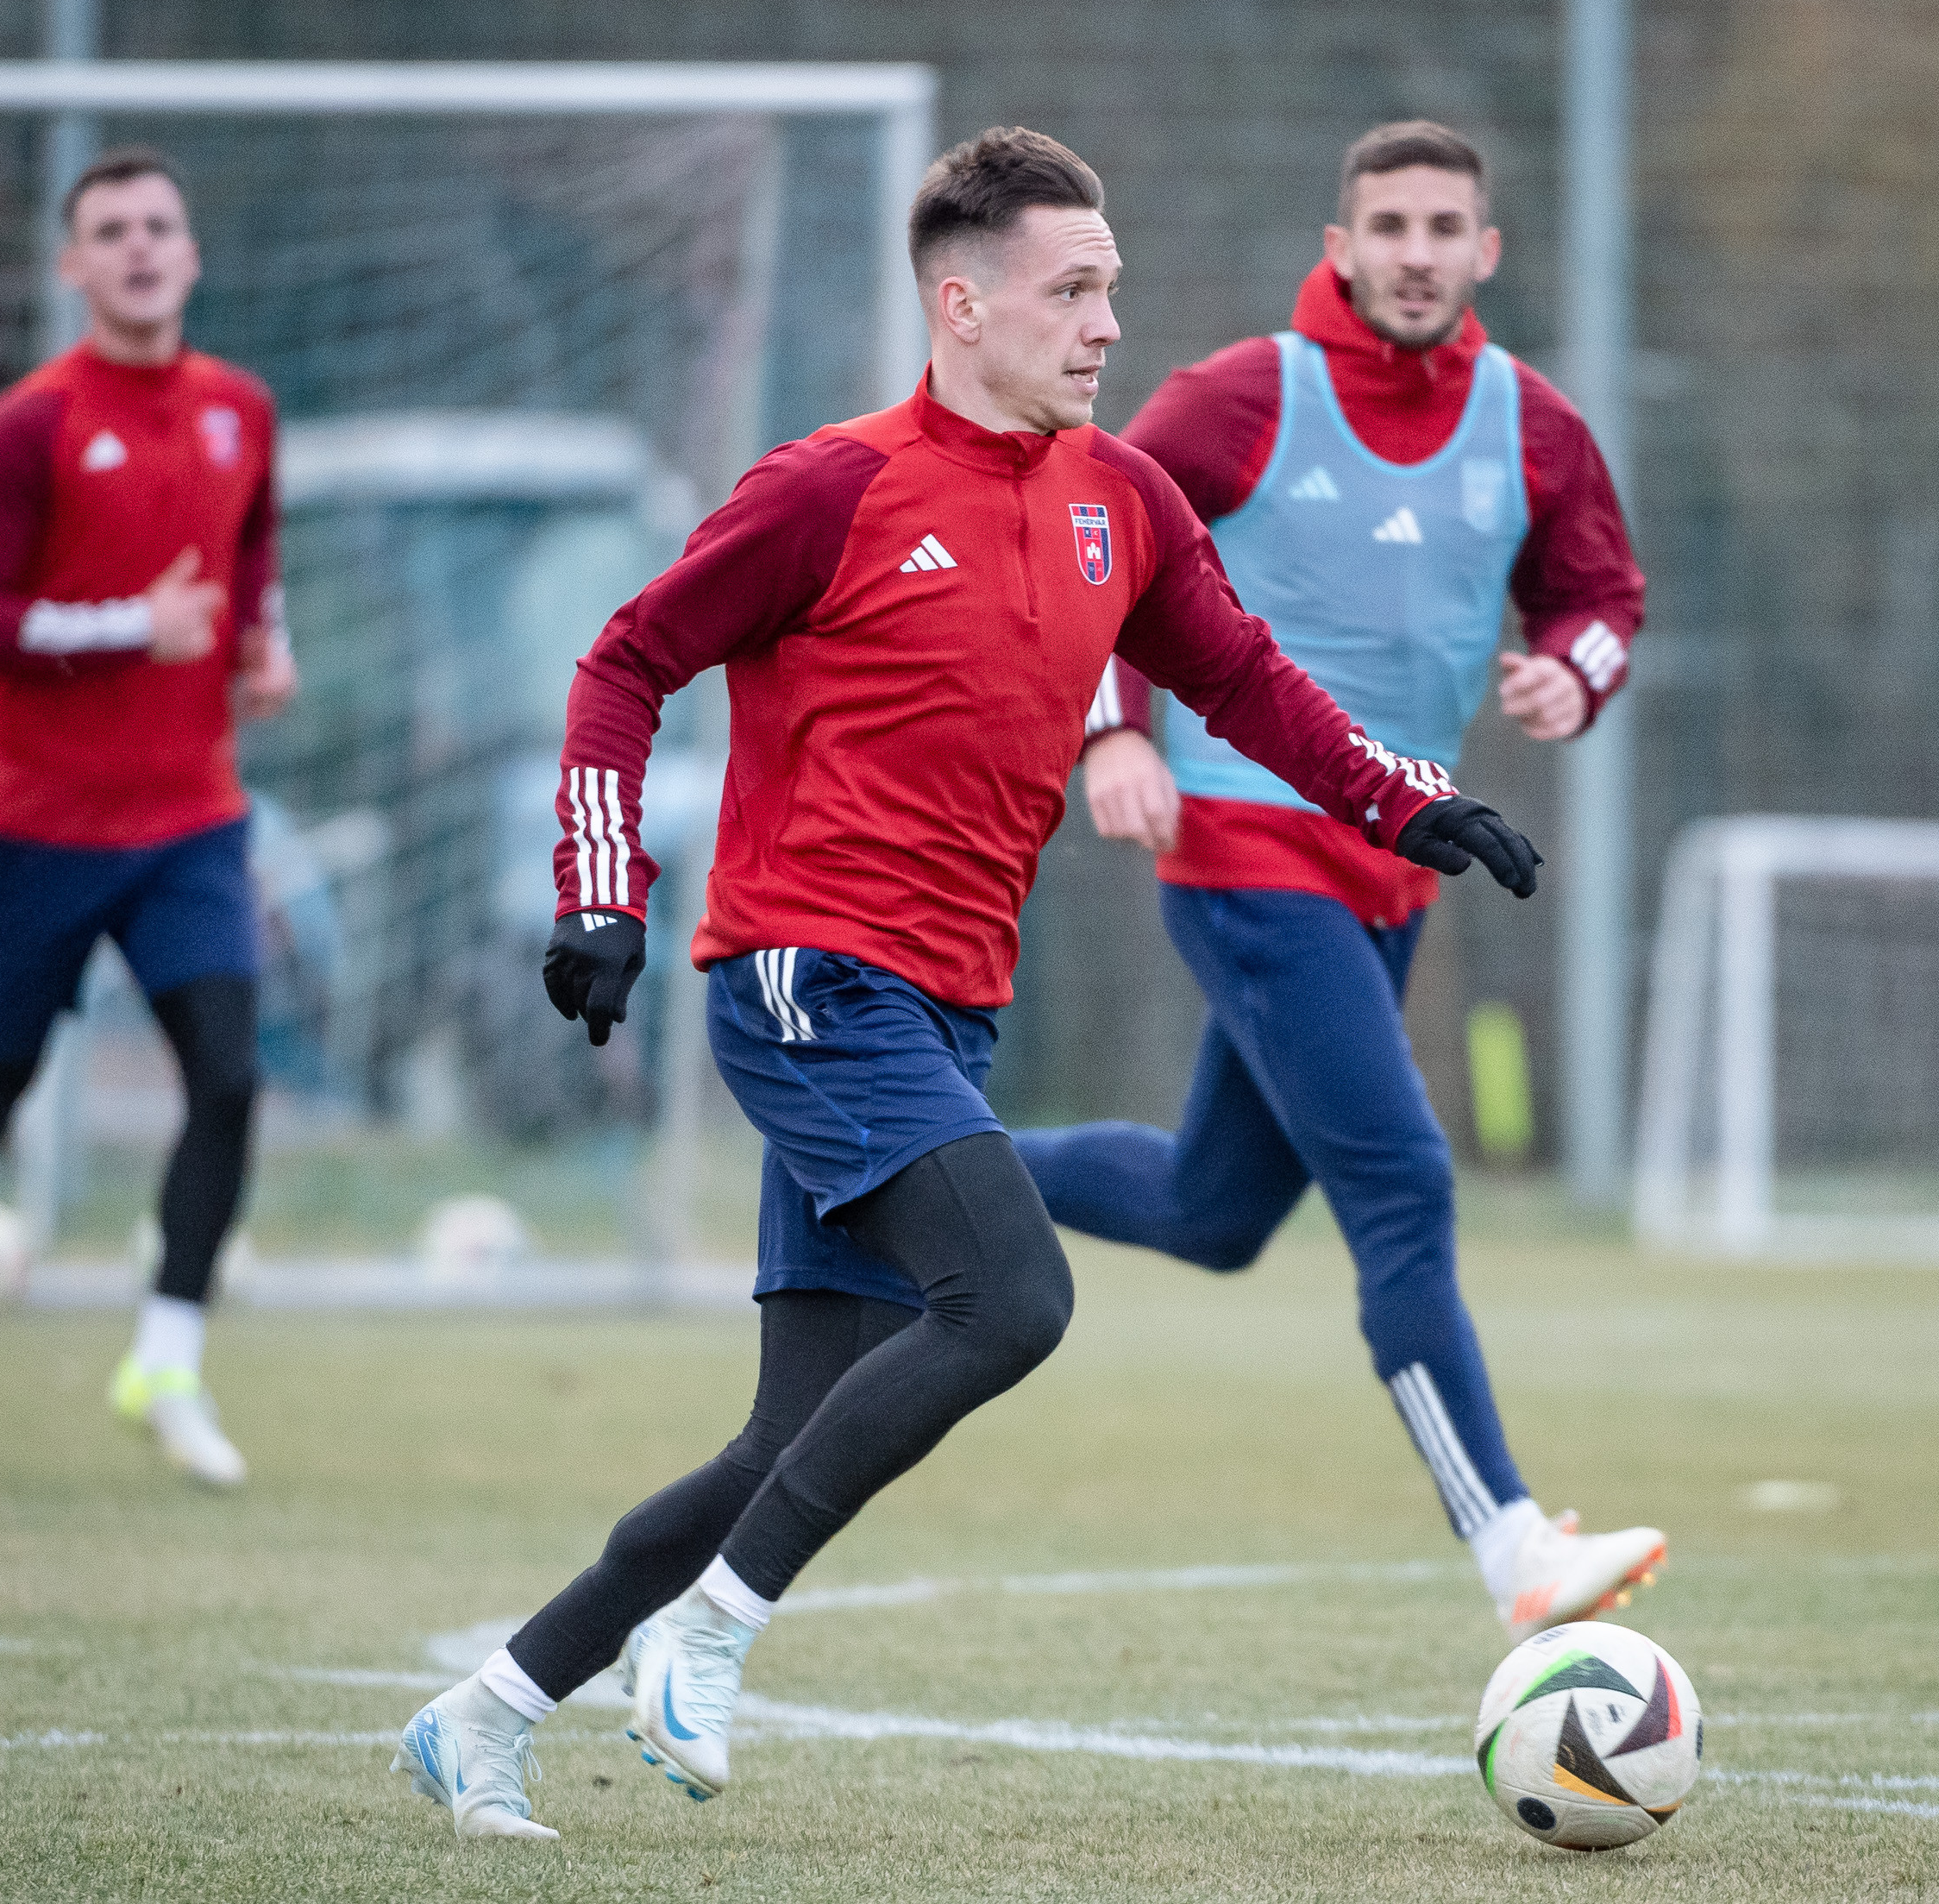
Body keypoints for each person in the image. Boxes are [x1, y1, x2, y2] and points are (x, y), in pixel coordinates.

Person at [389, 127, 1542, 1842]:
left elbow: (1247, 682)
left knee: (780, 1440)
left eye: (1111, 292)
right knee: (1011, 1297)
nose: (1105, 326)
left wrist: (1405, 798)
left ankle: (484, 1710)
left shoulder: (1121, 500)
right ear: (963, 305)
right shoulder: (828, 489)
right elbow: (625, 663)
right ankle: (711, 1631)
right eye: (1071, 292)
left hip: (942, 1009)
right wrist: (600, 889)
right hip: (804, 980)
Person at [1014, 119, 1663, 1644]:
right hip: (1243, 845)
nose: (1417, 253)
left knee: (1214, 1208)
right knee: (1404, 1179)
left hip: (1395, 868)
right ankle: (1511, 1542)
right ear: (1341, 246)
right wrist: (1118, 731)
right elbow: (1089, 536)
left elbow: (1602, 597)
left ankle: (907, 1164)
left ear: (1485, 251)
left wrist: (1574, 670)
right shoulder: (1242, 398)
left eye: (1445, 227)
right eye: (1390, 226)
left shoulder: (1535, 425)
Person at [0, 147, 296, 1494]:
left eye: (159, 224)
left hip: (192, 824)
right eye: (110, 230)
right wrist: (129, 627)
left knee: (228, 1077)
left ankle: (166, 1360)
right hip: (40, 831)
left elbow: (251, 551)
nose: (139, 247)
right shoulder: (30, 424)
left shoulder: (240, 408)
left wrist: (264, 642)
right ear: (74, 265)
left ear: (193, 252)